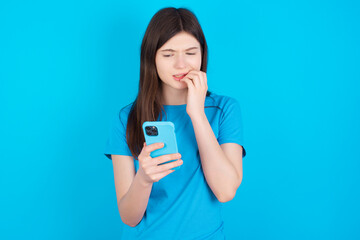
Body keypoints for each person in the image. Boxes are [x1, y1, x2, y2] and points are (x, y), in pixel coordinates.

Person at [104, 7, 247, 240]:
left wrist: (197, 114)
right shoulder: (127, 118)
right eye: (168, 54)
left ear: (203, 55)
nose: (181, 65)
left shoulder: (225, 109)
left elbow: (225, 191)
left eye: (190, 53)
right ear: (152, 58)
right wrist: (144, 179)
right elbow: (129, 217)